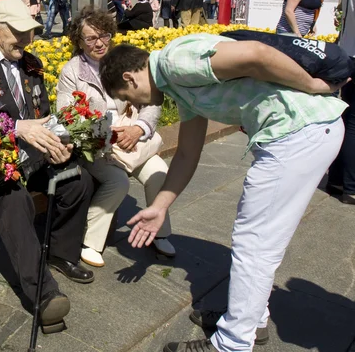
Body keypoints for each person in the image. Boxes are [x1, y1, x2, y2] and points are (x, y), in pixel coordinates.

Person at [99, 35, 347, 352]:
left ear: (129, 77)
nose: (141, 106)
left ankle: (232, 342)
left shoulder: (175, 62)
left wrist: (312, 85)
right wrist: (160, 207)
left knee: (254, 243)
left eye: (129, 98)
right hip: (299, 133)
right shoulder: (176, 83)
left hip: (297, 134)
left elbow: (256, 54)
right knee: (259, 242)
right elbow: (188, 153)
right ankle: (248, 320)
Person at [0, 0, 94, 333]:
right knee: (15, 203)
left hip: (33, 155)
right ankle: (43, 293)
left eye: (31, 32)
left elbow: (41, 111)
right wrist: (16, 128)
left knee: (77, 181)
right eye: (19, 32)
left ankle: (59, 251)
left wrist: (57, 140)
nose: (27, 40)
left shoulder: (33, 62)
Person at [56, 6, 174, 268]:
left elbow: (152, 100)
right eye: (91, 38)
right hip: (98, 145)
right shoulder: (72, 71)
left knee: (158, 173)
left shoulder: (122, 60)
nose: (99, 43)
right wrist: (100, 132)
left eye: (104, 35)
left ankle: (159, 232)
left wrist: (139, 128)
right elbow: (65, 114)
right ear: (79, 41)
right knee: (118, 182)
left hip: (132, 140)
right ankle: (91, 241)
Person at [328, 0, 355, 205]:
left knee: (348, 119)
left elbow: (341, 17)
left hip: (348, 55)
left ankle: (336, 178)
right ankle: (351, 185)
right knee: (353, 122)